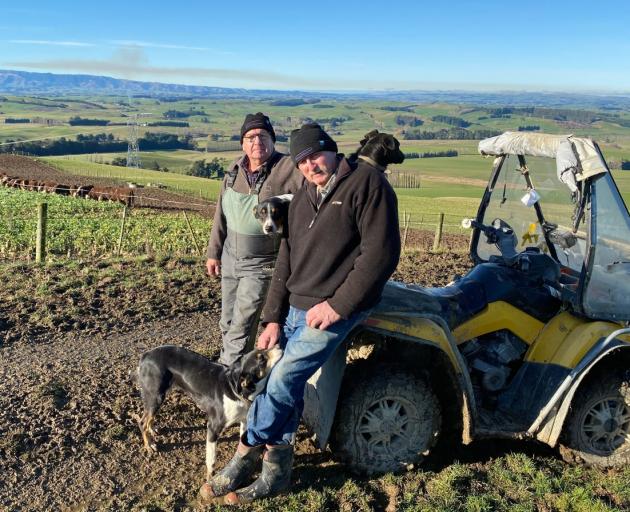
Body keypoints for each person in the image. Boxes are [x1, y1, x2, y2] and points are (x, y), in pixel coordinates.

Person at [200, 123, 401, 505]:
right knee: (277, 382)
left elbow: (380, 256)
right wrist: (272, 317)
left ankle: (245, 454)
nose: (310, 165)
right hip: (295, 307)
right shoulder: (304, 193)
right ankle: (278, 472)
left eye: (315, 156)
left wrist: (338, 305)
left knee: (282, 379)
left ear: (331, 149)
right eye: (302, 161)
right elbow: (287, 258)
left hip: (335, 308)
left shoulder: (368, 185)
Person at [206, 113, 303, 367]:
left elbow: (311, 202)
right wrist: (213, 252)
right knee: (227, 321)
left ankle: (226, 380)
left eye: (263, 135)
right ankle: (242, 371)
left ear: (272, 139)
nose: (256, 141)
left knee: (242, 323)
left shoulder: (289, 169)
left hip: (263, 264)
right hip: (230, 259)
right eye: (250, 136)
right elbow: (221, 213)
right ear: (242, 143)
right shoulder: (233, 172)